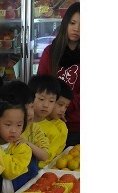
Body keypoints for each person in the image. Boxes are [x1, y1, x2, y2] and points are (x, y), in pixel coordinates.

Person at [37, 1, 80, 146]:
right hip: (48, 123)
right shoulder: (50, 52)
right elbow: (41, 85)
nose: (77, 29)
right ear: (65, 23)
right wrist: (52, 106)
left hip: (77, 125)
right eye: (72, 23)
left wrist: (62, 106)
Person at [0, 96, 32, 193]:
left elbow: (10, 172)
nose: (13, 130)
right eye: (8, 124)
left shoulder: (23, 149)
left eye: (19, 125)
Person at [27, 74, 65, 168]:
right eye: (41, 99)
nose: (46, 105)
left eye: (51, 101)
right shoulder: (20, 123)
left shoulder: (53, 132)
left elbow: (46, 160)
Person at [47, 78, 74, 154]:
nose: (63, 110)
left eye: (66, 107)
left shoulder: (61, 128)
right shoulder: (31, 120)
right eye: (60, 104)